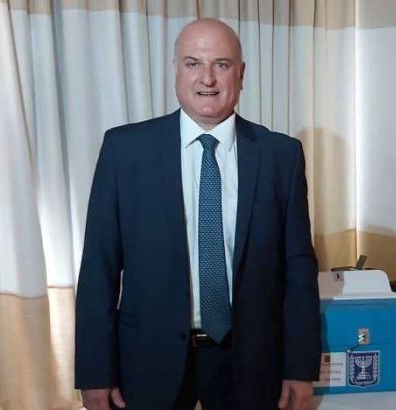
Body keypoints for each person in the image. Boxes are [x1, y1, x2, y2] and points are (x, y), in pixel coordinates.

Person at [74, 18, 321, 410]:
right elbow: (98, 268)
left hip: (252, 362)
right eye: (193, 63)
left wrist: (300, 366)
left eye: (221, 64)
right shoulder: (125, 150)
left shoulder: (281, 155)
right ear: (176, 70)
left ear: (241, 74)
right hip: (147, 360)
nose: (207, 78)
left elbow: (299, 270)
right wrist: (95, 370)